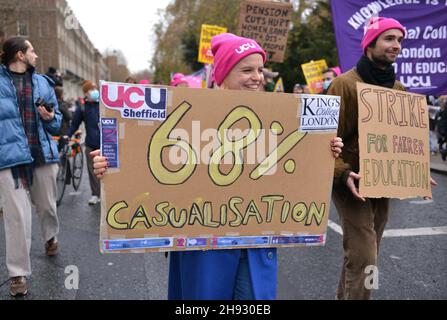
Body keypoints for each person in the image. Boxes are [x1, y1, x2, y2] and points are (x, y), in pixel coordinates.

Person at [91, 33, 344, 300]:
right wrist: (111, 165)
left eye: (260, 70)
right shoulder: (189, 110)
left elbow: (298, 163)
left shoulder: (279, 112)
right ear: (223, 74)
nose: (257, 77)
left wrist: (324, 151)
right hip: (204, 246)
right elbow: (148, 159)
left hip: (255, 242)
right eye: (246, 70)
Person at [327, 17, 437, 300]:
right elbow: (323, 140)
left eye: (399, 40)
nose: (396, 45)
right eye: (389, 39)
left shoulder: (398, 89)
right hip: (350, 181)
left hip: (382, 180)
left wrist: (414, 168)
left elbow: (400, 138)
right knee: (365, 256)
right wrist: (341, 173)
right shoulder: (344, 84)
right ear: (370, 45)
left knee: (367, 254)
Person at [0, 37, 62, 297]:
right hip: (10, 158)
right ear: (20, 55)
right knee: (16, 217)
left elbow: (57, 122)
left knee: (46, 205)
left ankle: (50, 236)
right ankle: (17, 274)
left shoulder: (42, 83)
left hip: (41, 155)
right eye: (32, 51)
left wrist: (49, 118)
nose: (36, 55)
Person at [65, 80, 101, 205]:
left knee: (108, 170)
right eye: (92, 89)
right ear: (86, 93)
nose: (95, 91)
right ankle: (96, 194)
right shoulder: (82, 107)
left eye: (96, 88)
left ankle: (109, 193)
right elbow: (75, 124)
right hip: (91, 143)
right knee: (93, 171)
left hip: (106, 143)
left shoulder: (104, 103)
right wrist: (67, 135)